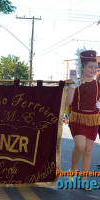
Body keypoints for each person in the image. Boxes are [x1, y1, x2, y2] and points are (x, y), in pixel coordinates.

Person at [65, 49, 100, 190]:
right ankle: (73, 169)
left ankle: (84, 180)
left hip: (93, 120)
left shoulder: (98, 84)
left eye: (95, 66)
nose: (93, 69)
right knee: (80, 145)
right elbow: (67, 103)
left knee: (88, 150)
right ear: (83, 67)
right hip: (78, 118)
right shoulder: (76, 82)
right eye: (90, 66)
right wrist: (72, 88)